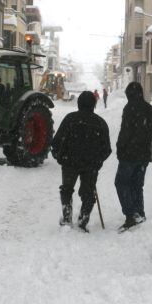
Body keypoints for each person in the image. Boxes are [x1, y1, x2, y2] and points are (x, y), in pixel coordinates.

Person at [51, 90, 111, 231]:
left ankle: (67, 218)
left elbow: (56, 141)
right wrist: (97, 161)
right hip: (90, 165)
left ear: (79, 103)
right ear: (94, 104)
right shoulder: (100, 123)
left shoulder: (70, 119)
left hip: (69, 162)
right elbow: (107, 149)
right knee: (88, 192)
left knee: (67, 189)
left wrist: (59, 157)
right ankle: (83, 219)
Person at [114, 81, 152, 231]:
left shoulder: (129, 109)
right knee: (136, 184)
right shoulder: (149, 109)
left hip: (129, 154)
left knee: (121, 183)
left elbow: (125, 132)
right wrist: (146, 126)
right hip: (144, 155)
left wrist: (120, 148)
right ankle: (139, 213)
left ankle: (131, 215)